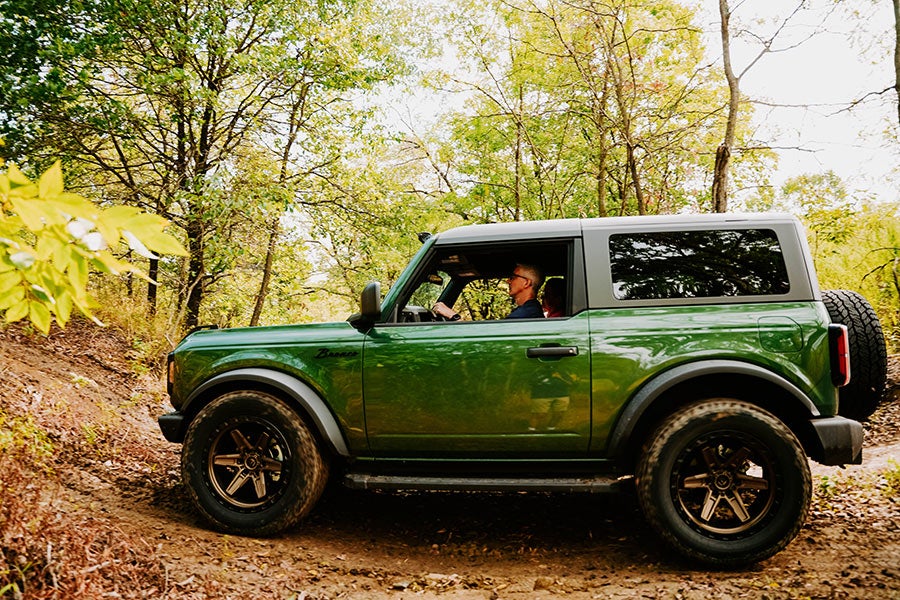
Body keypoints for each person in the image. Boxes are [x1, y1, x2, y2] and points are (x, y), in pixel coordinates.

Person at [433, 263, 544, 320]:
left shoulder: (527, 313)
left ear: (526, 283)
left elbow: (492, 340)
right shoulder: (528, 310)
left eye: (513, 277)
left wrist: (454, 317)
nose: (508, 281)